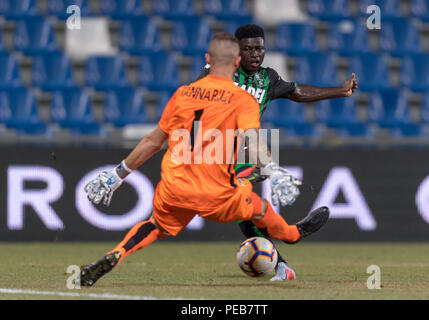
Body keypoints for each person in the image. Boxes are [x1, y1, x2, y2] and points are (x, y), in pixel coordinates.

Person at [80, 32, 329, 287]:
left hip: (175, 186)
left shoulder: (183, 94)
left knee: (155, 225)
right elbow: (252, 139)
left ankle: (118, 252)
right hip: (218, 192)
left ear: (208, 59)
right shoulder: (243, 99)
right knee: (260, 209)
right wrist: (272, 169)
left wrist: (117, 174)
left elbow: (154, 141)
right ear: (236, 62)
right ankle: (292, 234)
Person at [197, 24, 358, 281]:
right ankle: (291, 239)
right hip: (211, 153)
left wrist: (341, 90)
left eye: (259, 48)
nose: (255, 54)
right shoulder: (219, 73)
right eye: (248, 49)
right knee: (240, 208)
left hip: (245, 154)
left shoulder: (267, 78)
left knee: (242, 205)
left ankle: (282, 264)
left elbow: (297, 92)